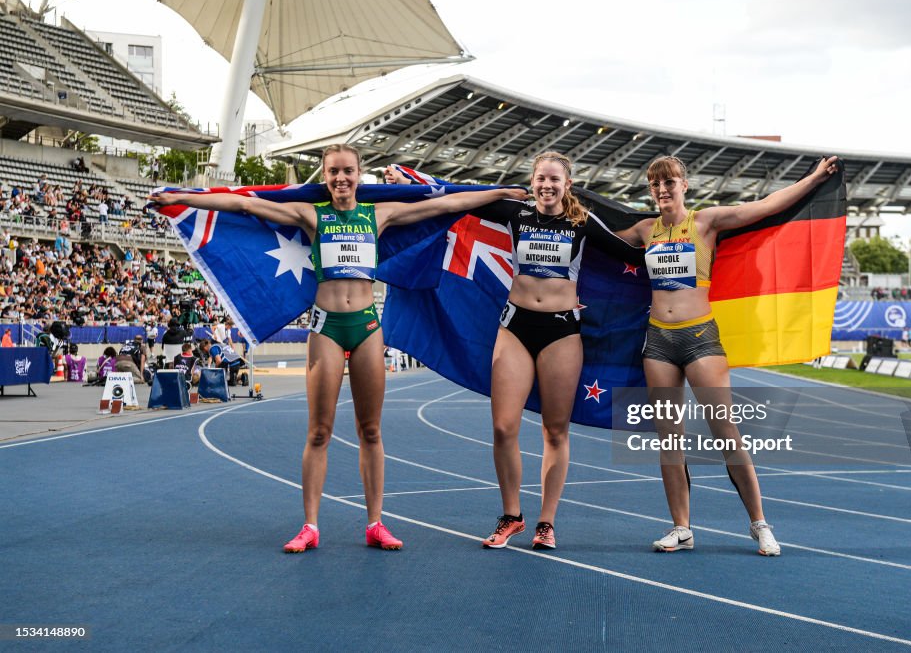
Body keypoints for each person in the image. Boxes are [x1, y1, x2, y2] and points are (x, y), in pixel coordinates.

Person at [153, 142, 526, 553]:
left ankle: (375, 523)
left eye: (348, 171)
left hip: (366, 327)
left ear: (359, 174)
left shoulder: (380, 215)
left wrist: (498, 192)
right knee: (319, 432)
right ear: (325, 175)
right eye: (333, 172)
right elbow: (246, 205)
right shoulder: (310, 215)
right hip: (326, 328)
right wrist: (182, 197)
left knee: (371, 430)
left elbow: (443, 205)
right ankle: (310, 525)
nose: (341, 178)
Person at [614, 154, 839, 556]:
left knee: (726, 432)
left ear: (685, 185)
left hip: (700, 337)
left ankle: (760, 524)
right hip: (658, 341)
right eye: (655, 184)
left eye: (670, 182)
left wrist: (814, 178)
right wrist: (542, 204)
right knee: (669, 440)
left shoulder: (706, 222)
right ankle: (681, 528)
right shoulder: (644, 229)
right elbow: (590, 234)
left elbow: (767, 207)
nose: (662, 190)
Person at [473, 151, 644, 551]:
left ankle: (546, 522)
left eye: (555, 180)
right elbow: (463, 201)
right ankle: (512, 516)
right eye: (540, 179)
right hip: (515, 326)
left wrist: (686, 238)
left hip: (562, 331)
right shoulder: (515, 214)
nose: (547, 186)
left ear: (568, 184)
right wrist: (415, 185)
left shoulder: (582, 222)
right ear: (531, 182)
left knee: (555, 430)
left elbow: (630, 255)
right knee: (502, 427)